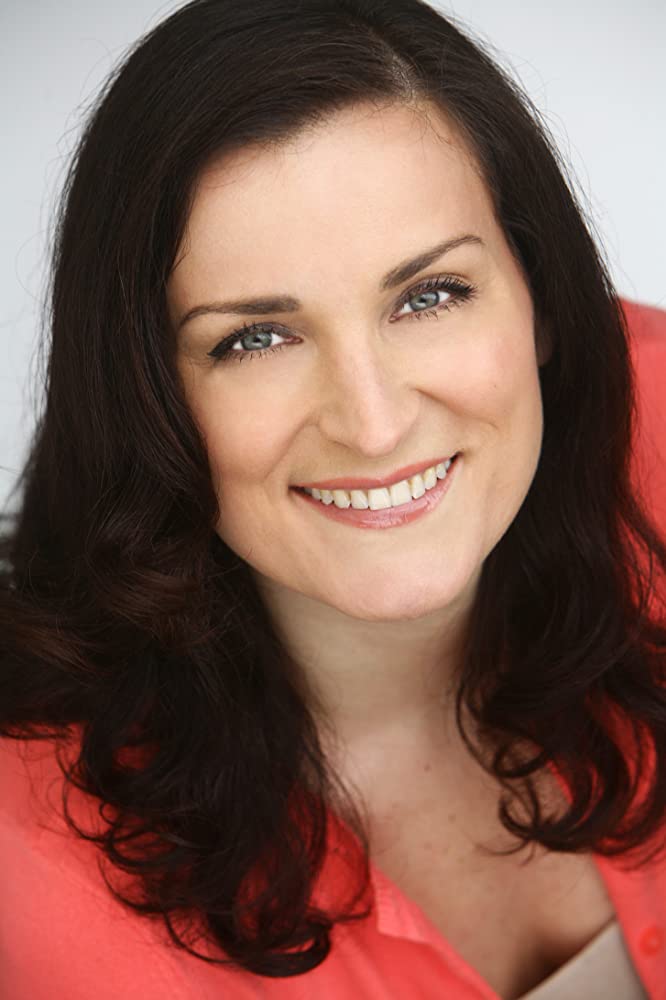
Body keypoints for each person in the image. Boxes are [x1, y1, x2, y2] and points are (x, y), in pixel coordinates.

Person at [1, 1, 665, 997]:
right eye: (255, 339)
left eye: (430, 294)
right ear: (147, 396)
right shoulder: (27, 863)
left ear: (541, 299)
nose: (374, 422)